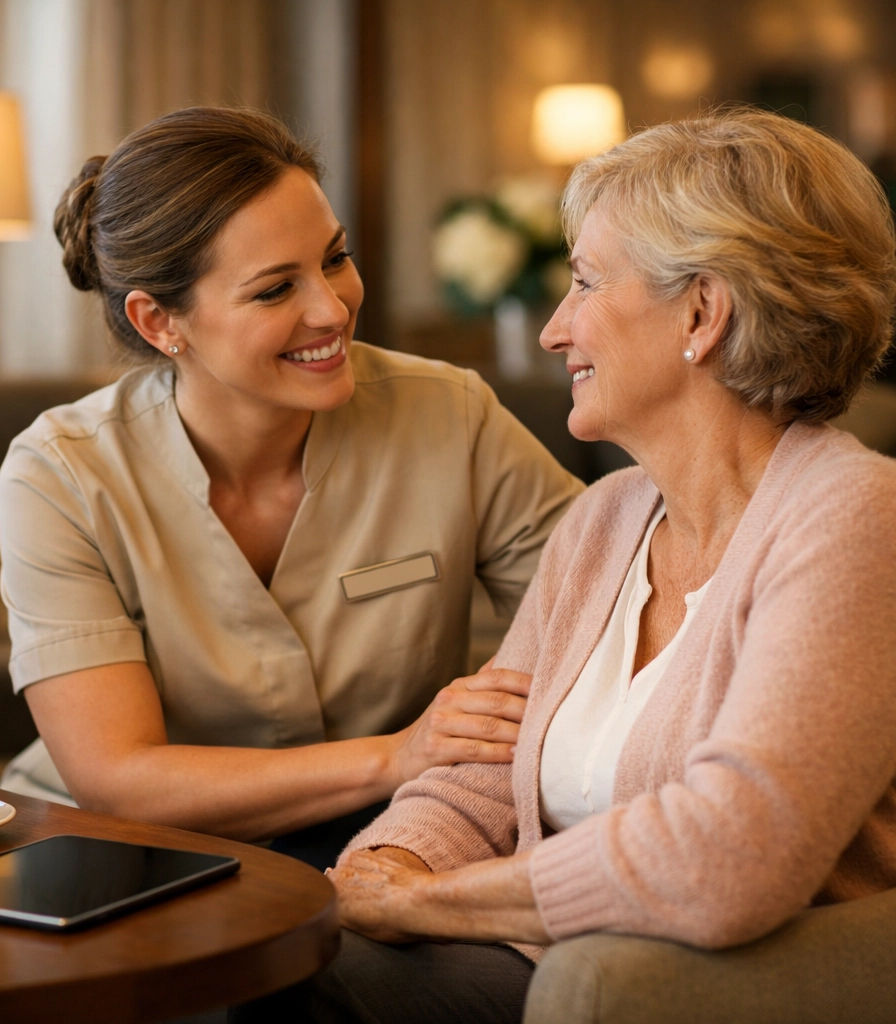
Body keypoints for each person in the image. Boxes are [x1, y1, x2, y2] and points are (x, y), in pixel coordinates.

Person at [232, 107, 896, 1023]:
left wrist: (424, 904)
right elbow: (480, 770)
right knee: (259, 973)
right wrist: (393, 864)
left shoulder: (857, 519)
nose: (552, 330)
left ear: (703, 311)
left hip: (732, 978)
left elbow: (730, 852)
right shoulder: (605, 518)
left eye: (584, 283)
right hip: (546, 955)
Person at [0, 107, 583, 869]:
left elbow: (605, 602)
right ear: (158, 321)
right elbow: (120, 778)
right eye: (275, 290)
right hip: (110, 853)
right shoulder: (59, 476)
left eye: (334, 258)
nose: (333, 309)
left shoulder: (451, 416)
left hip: (372, 836)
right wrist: (400, 755)